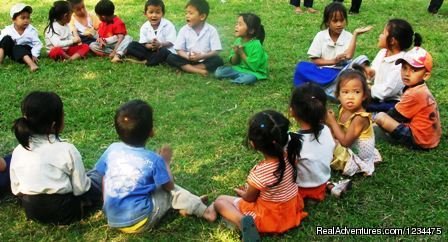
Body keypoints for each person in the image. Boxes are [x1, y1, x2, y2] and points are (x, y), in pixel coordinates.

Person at [94, 100, 216, 233]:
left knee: (110, 178)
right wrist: (165, 162)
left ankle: (184, 207)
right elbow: (169, 186)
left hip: (112, 217)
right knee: (171, 192)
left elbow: (102, 176)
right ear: (151, 132)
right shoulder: (153, 160)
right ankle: (203, 210)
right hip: (140, 220)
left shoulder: (112, 150)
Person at [212, 110, 308, 241]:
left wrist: (245, 194)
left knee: (220, 201)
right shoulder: (292, 153)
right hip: (290, 208)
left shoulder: (260, 173)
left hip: (270, 216)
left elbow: (250, 199)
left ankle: (242, 223)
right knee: (224, 200)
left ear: (253, 143)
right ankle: (212, 213)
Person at [9, 91, 102, 225]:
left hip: (32, 211)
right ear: (54, 125)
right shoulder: (67, 149)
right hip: (67, 212)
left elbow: (16, 189)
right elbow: (81, 189)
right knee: (97, 177)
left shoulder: (19, 150)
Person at [293, 2, 371, 95]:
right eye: (335, 21)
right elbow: (315, 60)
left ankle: (328, 88)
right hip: (323, 72)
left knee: (361, 60)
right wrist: (334, 61)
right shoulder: (321, 35)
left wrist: (355, 34)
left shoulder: (348, 36)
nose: (339, 24)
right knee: (301, 66)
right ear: (327, 22)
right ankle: (332, 88)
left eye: (342, 20)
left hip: (342, 72)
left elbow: (349, 55)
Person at [290, 83, 351, 200]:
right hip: (322, 182)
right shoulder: (326, 130)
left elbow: (286, 168)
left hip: (300, 190)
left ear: (292, 111)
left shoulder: (292, 140)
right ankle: (331, 187)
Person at [374, 47, 441, 150]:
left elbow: (394, 115)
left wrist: (374, 120)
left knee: (381, 117)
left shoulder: (415, 93)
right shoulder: (420, 88)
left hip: (420, 140)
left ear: (426, 75)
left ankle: (379, 134)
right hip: (431, 138)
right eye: (404, 67)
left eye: (414, 70)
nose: (407, 73)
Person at [325, 69, 382, 176]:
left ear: (364, 95)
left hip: (357, 157)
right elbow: (341, 130)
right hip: (350, 146)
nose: (350, 97)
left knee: (326, 146)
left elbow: (345, 142)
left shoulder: (360, 118)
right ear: (338, 95)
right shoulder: (343, 108)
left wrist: (332, 122)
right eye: (345, 92)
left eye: (356, 92)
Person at [365, 19, 421, 112]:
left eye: (383, 33)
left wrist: (365, 87)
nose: (380, 36)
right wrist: (370, 73)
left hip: (391, 102)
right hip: (375, 94)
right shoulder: (383, 52)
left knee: (359, 104)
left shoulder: (401, 64)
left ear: (392, 40)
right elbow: (375, 70)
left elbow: (386, 91)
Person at [166, 0, 224, 76]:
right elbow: (178, 49)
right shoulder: (184, 30)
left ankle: (190, 69)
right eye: (186, 13)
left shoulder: (211, 30)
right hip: (188, 58)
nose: (187, 15)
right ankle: (199, 71)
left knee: (218, 60)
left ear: (202, 16)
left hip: (204, 58)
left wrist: (202, 56)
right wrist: (188, 57)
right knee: (170, 57)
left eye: (191, 13)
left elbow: (216, 50)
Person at [214, 13, 268, 84]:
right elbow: (234, 63)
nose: (236, 26)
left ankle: (238, 80)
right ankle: (239, 77)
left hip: (253, 72)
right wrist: (236, 53)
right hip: (238, 69)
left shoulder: (256, 45)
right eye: (236, 24)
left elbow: (253, 67)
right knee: (219, 72)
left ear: (251, 30)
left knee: (249, 78)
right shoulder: (238, 41)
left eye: (240, 24)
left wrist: (242, 53)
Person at [125, 0, 176, 66]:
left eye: (158, 12)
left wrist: (160, 45)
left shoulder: (168, 25)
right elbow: (144, 44)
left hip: (165, 50)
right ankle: (153, 59)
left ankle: (146, 62)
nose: (154, 15)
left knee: (164, 52)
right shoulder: (144, 27)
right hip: (151, 51)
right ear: (145, 14)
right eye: (151, 12)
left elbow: (171, 42)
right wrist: (152, 46)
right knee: (132, 45)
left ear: (163, 14)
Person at [0, 3, 42, 72]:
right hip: (14, 53)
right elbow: (1, 41)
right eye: (23, 18)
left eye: (28, 18)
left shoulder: (31, 30)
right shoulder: (8, 30)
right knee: (5, 39)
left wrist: (35, 54)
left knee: (18, 47)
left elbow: (37, 43)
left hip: (27, 53)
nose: (26, 20)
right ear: (13, 20)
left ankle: (32, 65)